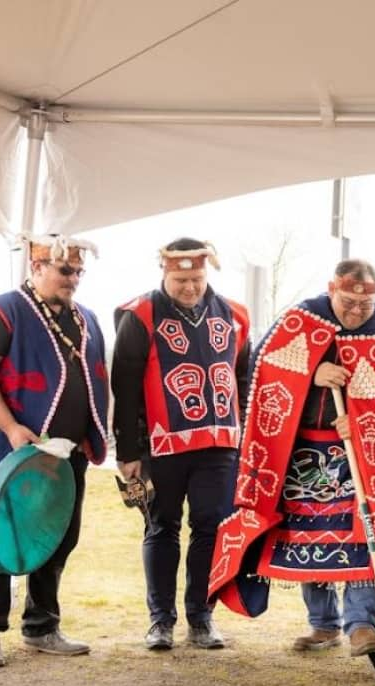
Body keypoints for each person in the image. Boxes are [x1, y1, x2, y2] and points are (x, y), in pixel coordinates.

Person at [208, 259, 375, 657]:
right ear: (331, 289)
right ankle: (323, 624)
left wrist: (360, 425)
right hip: (302, 455)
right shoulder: (299, 321)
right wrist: (311, 372)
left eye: (365, 304)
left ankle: (361, 623)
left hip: (360, 460)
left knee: (363, 537)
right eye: (348, 302)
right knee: (309, 538)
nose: (357, 311)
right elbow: (264, 373)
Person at [0, 234, 109, 667]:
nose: (73, 279)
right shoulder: (3, 311)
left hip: (67, 453)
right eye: (65, 270)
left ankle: (42, 626)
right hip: (14, 450)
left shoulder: (87, 318)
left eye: (79, 272)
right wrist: (10, 427)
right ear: (37, 266)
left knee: (57, 535)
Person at [111, 239, 250, 651]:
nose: (190, 287)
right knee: (161, 528)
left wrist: (244, 440)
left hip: (219, 445)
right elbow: (125, 388)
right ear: (164, 274)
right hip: (161, 445)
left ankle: (201, 617)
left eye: (197, 278)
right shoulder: (139, 315)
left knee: (210, 528)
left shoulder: (236, 315)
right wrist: (128, 451)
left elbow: (244, 379)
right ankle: (161, 620)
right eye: (181, 279)